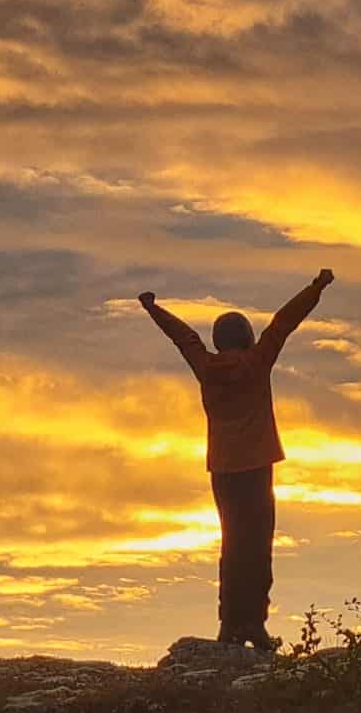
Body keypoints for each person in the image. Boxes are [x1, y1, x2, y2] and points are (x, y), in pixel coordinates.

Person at [139, 271, 335, 651]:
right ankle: (254, 626)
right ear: (246, 338)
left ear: (218, 341)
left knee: (232, 547)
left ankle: (230, 626)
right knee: (258, 549)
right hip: (258, 467)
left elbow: (184, 337)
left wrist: (153, 308)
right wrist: (316, 288)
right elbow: (284, 322)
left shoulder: (207, 368)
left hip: (225, 471)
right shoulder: (257, 361)